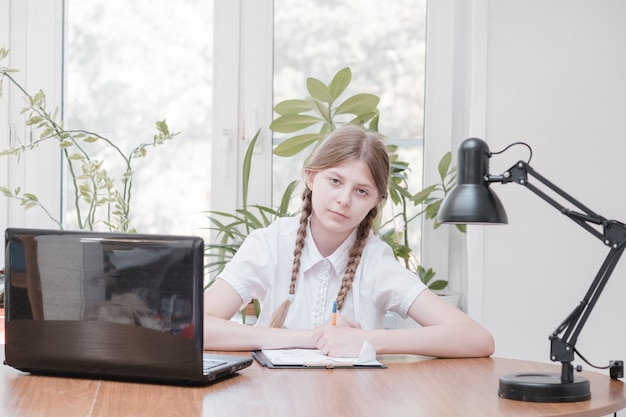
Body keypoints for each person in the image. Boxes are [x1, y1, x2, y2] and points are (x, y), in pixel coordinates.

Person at [203, 125, 494, 358]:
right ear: (311, 177)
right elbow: (197, 327)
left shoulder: (374, 260)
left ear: (375, 202)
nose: (344, 200)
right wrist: (309, 338)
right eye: (335, 181)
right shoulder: (270, 244)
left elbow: (477, 339)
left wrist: (366, 340)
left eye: (362, 191)